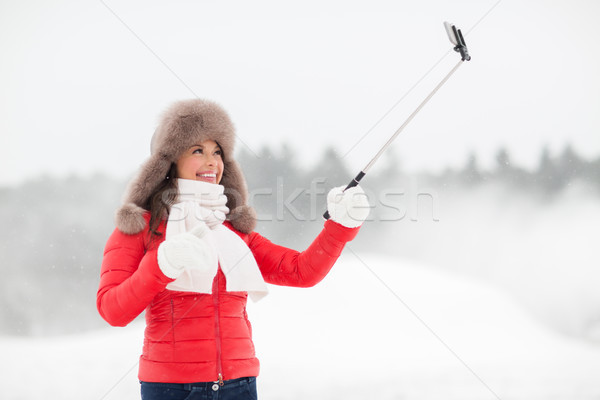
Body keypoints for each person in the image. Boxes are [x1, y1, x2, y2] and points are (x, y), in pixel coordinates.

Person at [96, 98, 370, 400]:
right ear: (170, 160)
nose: (212, 161)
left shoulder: (232, 231)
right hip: (171, 389)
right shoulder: (141, 227)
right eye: (197, 150)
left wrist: (341, 226)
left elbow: (302, 271)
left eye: (218, 151)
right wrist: (161, 265)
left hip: (239, 386)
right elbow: (112, 310)